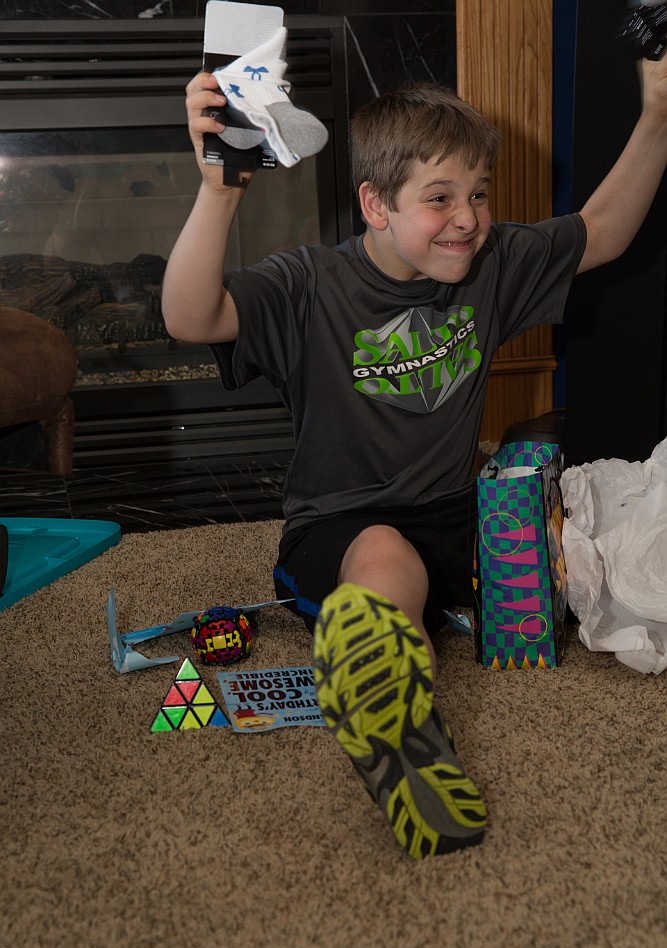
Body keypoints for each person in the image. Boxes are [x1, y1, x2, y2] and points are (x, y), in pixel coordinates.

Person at [162, 52, 667, 860]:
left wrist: (657, 116)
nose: (467, 217)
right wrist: (220, 190)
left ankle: (404, 677)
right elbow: (192, 317)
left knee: (595, 543)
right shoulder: (309, 286)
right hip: (342, 529)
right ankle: (403, 734)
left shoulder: (489, 266)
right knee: (387, 566)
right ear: (375, 204)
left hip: (457, 517)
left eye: (478, 193)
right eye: (439, 198)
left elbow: (601, 230)